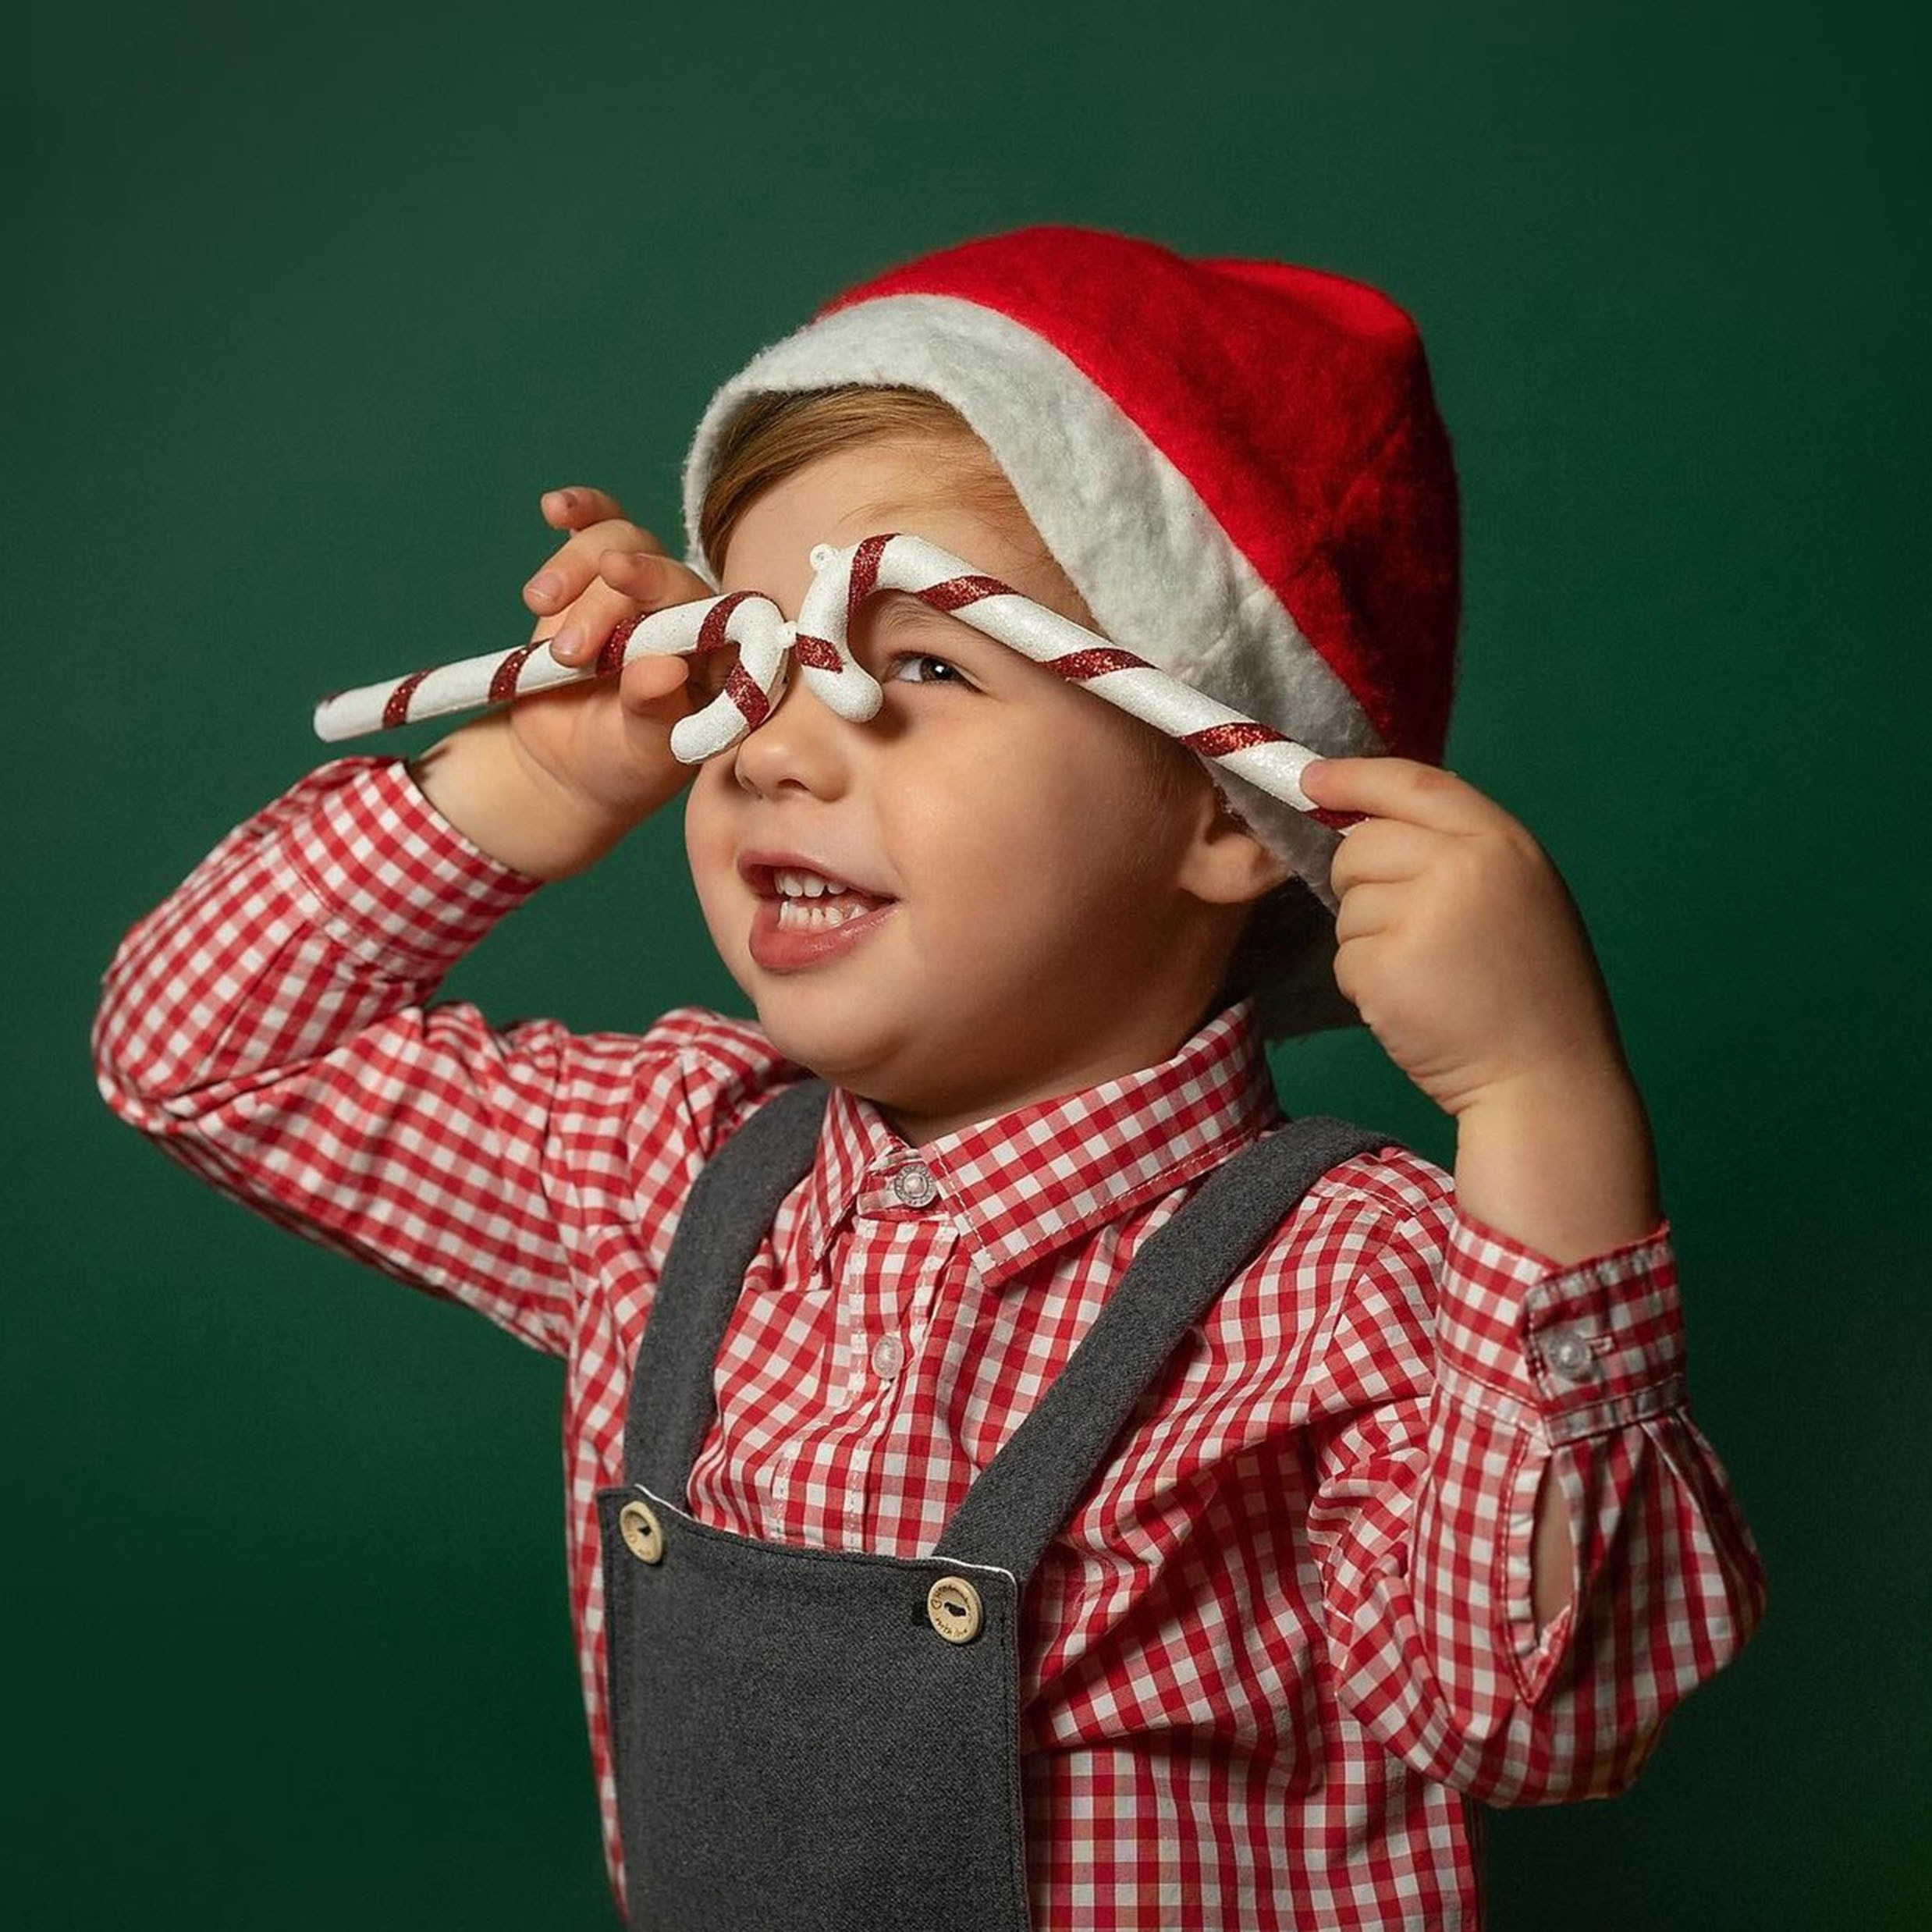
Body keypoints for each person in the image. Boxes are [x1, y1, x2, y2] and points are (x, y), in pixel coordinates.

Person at [93, 224, 1767, 1930]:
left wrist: (1541, 1102)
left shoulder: (1353, 1280)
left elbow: (1535, 1717)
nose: (775, 739)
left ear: (1222, 806)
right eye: (748, 658)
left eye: (916, 663)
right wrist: (544, 767)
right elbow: (203, 1049)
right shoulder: (660, 1174)